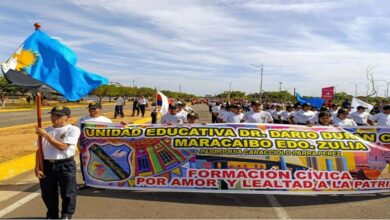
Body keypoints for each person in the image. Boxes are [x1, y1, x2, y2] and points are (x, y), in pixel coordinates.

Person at [35, 106, 81, 219]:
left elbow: (63, 147)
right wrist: (37, 167)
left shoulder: (73, 129)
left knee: (68, 192)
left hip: (65, 164)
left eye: (58, 115)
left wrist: (45, 135)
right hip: (47, 164)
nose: (54, 117)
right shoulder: (46, 130)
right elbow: (39, 150)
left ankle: (66, 214)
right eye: (53, 115)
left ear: (68, 117)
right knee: (48, 193)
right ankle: (52, 214)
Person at [76, 102, 112, 190]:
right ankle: (87, 182)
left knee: (103, 165)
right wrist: (78, 145)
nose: (92, 110)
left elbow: (112, 134)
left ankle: (102, 183)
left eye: (94, 109)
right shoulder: (82, 120)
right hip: (86, 148)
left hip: (102, 147)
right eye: (90, 109)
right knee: (86, 165)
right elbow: (78, 133)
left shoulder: (106, 121)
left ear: (100, 109)